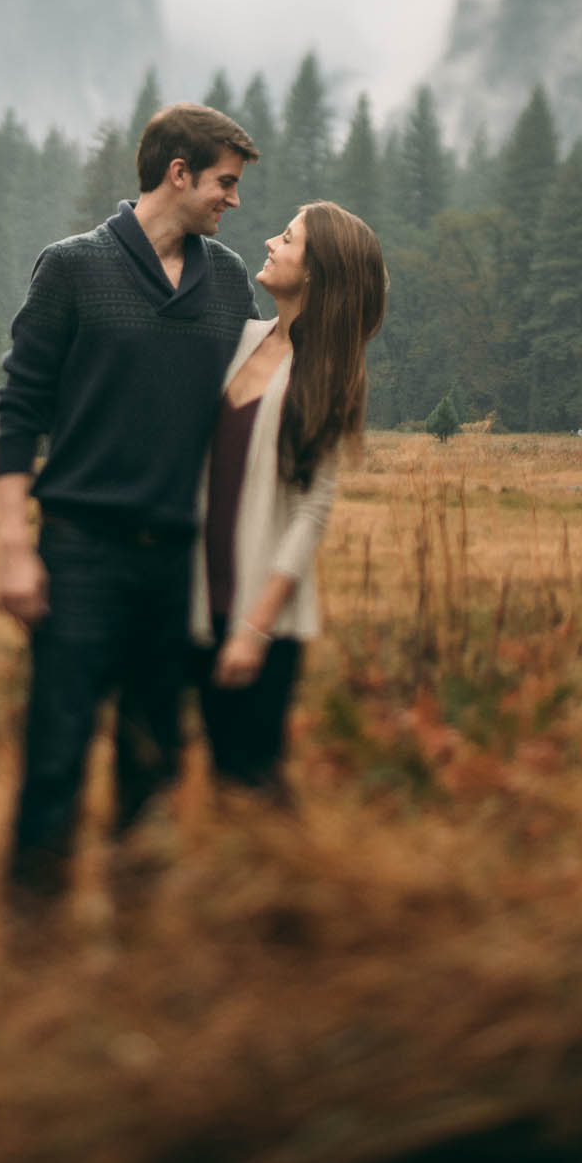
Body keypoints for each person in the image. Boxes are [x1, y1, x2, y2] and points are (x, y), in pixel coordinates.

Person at [0, 101, 260, 915]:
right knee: (56, 753)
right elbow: (19, 410)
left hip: (175, 564)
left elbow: (247, 418)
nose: (233, 200)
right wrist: (15, 548)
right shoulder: (72, 267)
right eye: (225, 182)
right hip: (79, 552)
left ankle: (135, 949)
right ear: (177, 174)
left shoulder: (229, 283)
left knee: (153, 760)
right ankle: (31, 944)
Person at [190, 200, 388, 800]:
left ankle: (299, 885)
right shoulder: (239, 339)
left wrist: (254, 628)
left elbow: (310, 513)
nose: (272, 243)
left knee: (254, 777)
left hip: (259, 617)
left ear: (316, 270)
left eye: (288, 237)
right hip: (198, 603)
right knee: (221, 774)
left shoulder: (326, 370)